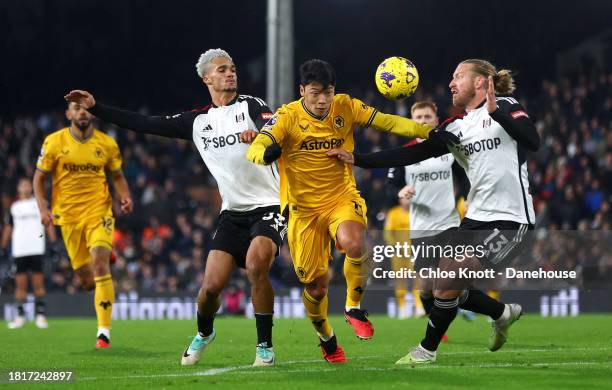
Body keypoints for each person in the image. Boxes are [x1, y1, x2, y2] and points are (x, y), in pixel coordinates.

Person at [65, 48, 285, 367]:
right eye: (222, 69)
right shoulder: (197, 121)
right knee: (209, 289)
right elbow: (143, 123)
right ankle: (204, 333)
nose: (230, 73)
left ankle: (264, 346)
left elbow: (278, 139)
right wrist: (97, 108)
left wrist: (263, 140)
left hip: (270, 204)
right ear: (206, 78)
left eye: (232, 68)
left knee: (256, 264)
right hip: (233, 212)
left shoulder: (253, 106)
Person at [328, 58, 539, 364]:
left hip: (511, 220)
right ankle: (503, 314)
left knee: (448, 280)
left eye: (459, 76)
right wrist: (358, 159)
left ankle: (426, 351)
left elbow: (533, 141)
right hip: (473, 222)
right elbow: (411, 152)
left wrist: (497, 114)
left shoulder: (505, 105)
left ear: (480, 82)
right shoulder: (456, 127)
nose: (452, 83)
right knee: (440, 284)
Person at [246, 59, 458, 363]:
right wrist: (266, 153)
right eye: (316, 93)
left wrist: (428, 132)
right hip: (302, 211)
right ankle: (326, 338)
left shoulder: (344, 106)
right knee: (316, 286)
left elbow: (388, 121)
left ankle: (353, 306)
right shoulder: (286, 117)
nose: (322, 100)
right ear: (302, 90)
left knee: (356, 243)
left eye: (328, 92)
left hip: (341, 198)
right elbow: (257, 146)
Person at [34, 101, 133, 348]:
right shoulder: (54, 142)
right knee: (87, 281)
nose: (82, 112)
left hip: (98, 211)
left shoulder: (106, 143)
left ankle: (103, 333)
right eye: (76, 108)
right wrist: (44, 209)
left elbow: (117, 175)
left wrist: (125, 196)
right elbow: (39, 179)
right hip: (67, 218)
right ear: (68, 114)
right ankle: (104, 254)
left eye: (86, 108)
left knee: (100, 266)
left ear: (92, 114)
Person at [2, 178, 58, 329]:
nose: (25, 187)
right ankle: (20, 316)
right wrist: (3, 246)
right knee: (20, 285)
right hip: (20, 249)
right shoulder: (14, 207)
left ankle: (40, 315)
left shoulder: (41, 204)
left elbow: (48, 223)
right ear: (19, 188)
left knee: (38, 284)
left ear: (31, 187)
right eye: (23, 185)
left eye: (28, 185)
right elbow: (8, 228)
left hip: (36, 248)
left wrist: (54, 242)